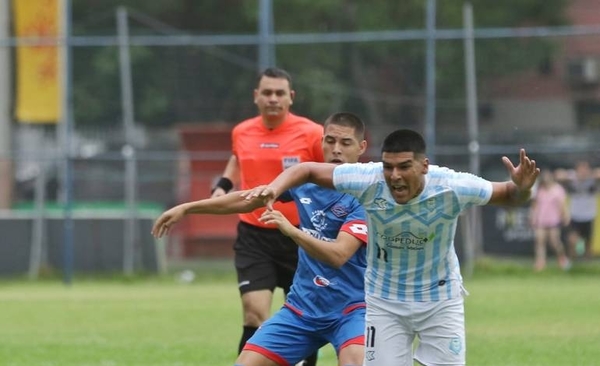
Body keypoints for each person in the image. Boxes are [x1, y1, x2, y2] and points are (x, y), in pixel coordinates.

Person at [244, 128, 540, 366]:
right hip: (384, 303)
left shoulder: (452, 185)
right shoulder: (368, 179)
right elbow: (306, 170)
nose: (394, 176)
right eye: (388, 167)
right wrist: (275, 188)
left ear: (424, 166)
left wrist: (523, 187)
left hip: (439, 300)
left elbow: (509, 194)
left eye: (403, 167)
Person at [152, 112, 369, 366]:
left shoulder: (368, 194)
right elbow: (249, 199)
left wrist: (292, 231)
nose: (336, 150)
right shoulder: (305, 183)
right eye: (329, 141)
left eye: (345, 143)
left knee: (355, 363)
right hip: (303, 309)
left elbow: (338, 255)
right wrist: (188, 208)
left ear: (361, 148)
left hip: (352, 311)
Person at [210, 67, 324, 365]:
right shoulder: (242, 131)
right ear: (256, 96)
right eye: (267, 92)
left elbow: (328, 173)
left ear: (291, 97)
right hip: (254, 234)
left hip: (300, 235)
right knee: (253, 311)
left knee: (303, 315)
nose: (273, 98)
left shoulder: (312, 133)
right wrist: (223, 186)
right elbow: (238, 157)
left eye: (279, 93)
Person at [555, 160, 600, 260]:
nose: (583, 171)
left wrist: (590, 175)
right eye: (581, 168)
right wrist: (573, 176)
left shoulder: (592, 179)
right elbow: (558, 175)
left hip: (589, 215)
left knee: (588, 243)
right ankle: (573, 261)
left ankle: (586, 264)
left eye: (585, 168)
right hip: (575, 215)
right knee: (572, 240)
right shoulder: (572, 178)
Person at [528, 169, 570, 271]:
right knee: (540, 241)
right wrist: (532, 216)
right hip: (541, 219)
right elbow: (535, 205)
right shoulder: (539, 190)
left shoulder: (558, 190)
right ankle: (540, 262)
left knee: (554, 242)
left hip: (553, 220)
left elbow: (562, 205)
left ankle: (562, 258)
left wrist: (565, 216)